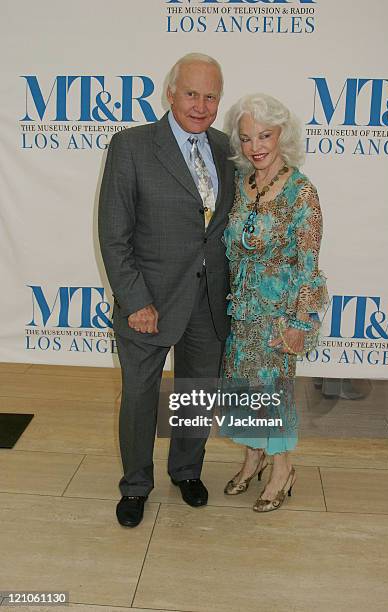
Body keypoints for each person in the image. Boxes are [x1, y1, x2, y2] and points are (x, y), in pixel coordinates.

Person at [98, 53, 235, 527]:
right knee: (140, 396)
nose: (201, 105)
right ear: (171, 93)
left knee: (197, 391)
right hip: (148, 302)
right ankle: (136, 485)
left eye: (211, 96)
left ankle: (186, 471)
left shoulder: (225, 148)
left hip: (208, 301)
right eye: (192, 93)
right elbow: (114, 234)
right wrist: (135, 300)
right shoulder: (131, 146)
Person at [221, 93, 327, 512]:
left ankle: (282, 468)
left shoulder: (302, 193)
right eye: (246, 138)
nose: (256, 146)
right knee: (244, 390)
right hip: (241, 313)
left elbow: (309, 266)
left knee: (272, 393)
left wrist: (300, 324)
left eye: (265, 135)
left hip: (278, 317)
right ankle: (253, 457)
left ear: (283, 135)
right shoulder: (243, 186)